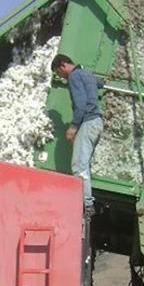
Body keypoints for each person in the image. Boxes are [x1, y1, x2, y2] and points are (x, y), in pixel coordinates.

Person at [50, 54, 103, 216]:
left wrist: (73, 127)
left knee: (79, 166)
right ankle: (87, 202)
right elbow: (100, 83)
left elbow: (80, 105)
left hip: (87, 121)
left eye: (59, 73)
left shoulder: (74, 76)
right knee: (84, 164)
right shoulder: (87, 73)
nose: (61, 77)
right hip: (97, 123)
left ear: (62, 65)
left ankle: (87, 205)